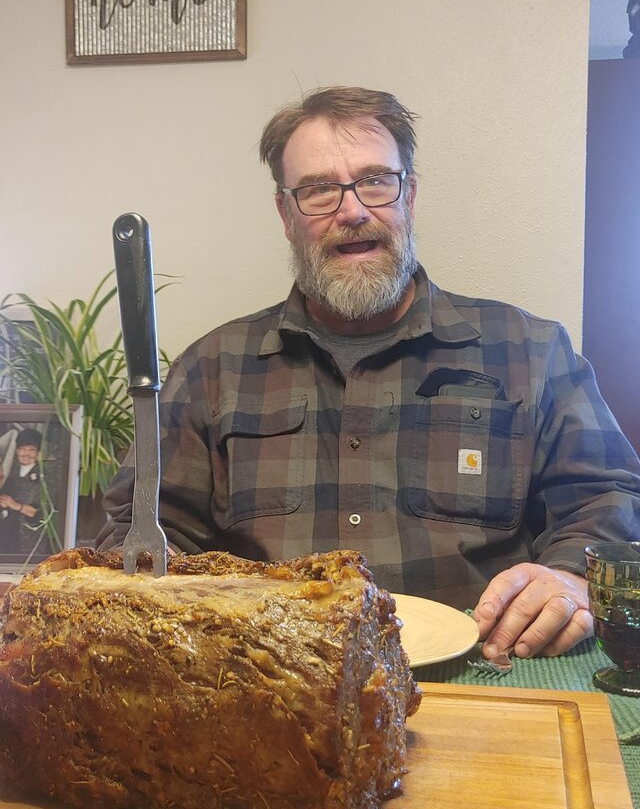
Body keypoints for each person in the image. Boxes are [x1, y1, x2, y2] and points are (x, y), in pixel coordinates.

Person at [97, 86, 640, 660]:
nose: (352, 211)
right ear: (285, 213)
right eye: (319, 190)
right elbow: (143, 527)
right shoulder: (211, 369)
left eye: (376, 180)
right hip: (273, 687)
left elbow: (607, 497)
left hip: (492, 673)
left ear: (410, 196)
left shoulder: (531, 351)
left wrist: (570, 577)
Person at [0, 427, 42, 555]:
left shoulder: (45, 478)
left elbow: (43, 514)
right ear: (16, 450)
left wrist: (16, 505)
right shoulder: (8, 471)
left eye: (31, 450)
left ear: (38, 452)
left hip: (28, 540)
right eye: (22, 449)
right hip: (5, 535)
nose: (26, 454)